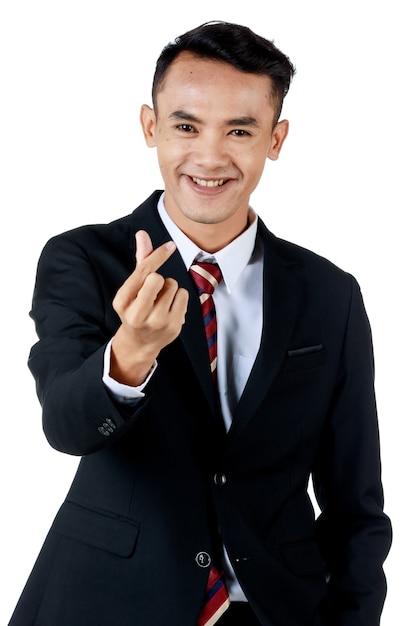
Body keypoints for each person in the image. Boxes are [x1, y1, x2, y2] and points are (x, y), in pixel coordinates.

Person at [9, 21, 391, 626]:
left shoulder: (330, 295)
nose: (210, 157)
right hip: (107, 605)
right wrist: (130, 353)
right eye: (186, 126)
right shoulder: (81, 259)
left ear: (276, 138)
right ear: (150, 126)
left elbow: (357, 508)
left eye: (240, 130)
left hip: (275, 611)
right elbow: (66, 423)